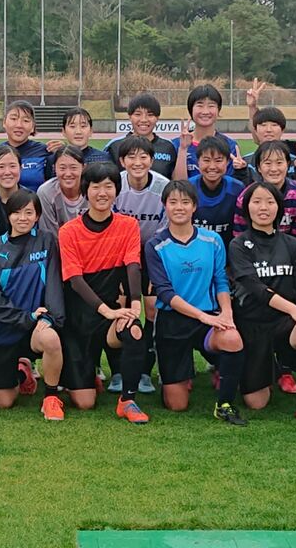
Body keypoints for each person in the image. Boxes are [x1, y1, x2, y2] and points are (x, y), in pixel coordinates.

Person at [227, 181, 296, 425]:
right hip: (252, 324)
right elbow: (258, 290)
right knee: (256, 402)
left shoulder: (292, 244)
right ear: (247, 208)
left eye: (270, 202)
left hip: (285, 322)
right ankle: (270, 369)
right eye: (257, 202)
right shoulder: (238, 245)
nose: (264, 207)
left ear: (279, 208)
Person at [145, 180, 247, 425]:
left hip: (208, 317)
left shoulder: (212, 241)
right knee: (176, 405)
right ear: (164, 206)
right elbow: (166, 293)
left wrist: (226, 313)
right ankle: (177, 376)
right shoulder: (155, 245)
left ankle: (224, 403)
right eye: (173, 202)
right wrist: (205, 317)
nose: (179, 207)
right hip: (173, 321)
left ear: (194, 207)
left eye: (185, 202)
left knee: (232, 338)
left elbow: (221, 280)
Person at [57, 163, 151, 423]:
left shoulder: (128, 225)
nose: (102, 192)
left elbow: (133, 264)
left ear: (116, 191)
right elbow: (74, 280)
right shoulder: (69, 231)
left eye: (109, 186)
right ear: (86, 191)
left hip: (112, 310)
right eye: (96, 186)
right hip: (79, 316)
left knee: (133, 329)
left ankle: (128, 400)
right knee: (84, 403)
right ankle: (86, 377)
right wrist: (105, 310)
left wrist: (134, 302)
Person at [0, 190, 66, 419]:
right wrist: (25, 316)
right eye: (17, 213)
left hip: (36, 324)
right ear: (8, 216)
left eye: (29, 212)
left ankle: (50, 397)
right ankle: (21, 372)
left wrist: (50, 318)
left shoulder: (47, 241)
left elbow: (54, 284)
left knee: (50, 338)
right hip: (2, 327)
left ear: (37, 215)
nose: (23, 218)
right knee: (4, 402)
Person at [111, 136, 168, 396]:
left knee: (153, 311)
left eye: (143, 156)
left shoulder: (163, 187)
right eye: (131, 157)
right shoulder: (114, 185)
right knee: (121, 309)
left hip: (151, 254)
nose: (137, 162)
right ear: (122, 161)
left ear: (151, 160)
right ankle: (118, 371)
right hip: (119, 255)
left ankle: (146, 370)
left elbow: (165, 231)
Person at [233, 140, 296, 247]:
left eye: (279, 163)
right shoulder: (246, 198)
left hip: (290, 254)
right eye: (267, 163)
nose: (274, 169)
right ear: (259, 167)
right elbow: (240, 237)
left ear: (288, 165)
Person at [171, 84, 242, 181]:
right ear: (191, 110)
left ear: (218, 110)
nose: (205, 111)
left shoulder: (229, 145)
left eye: (211, 106)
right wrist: (183, 149)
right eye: (200, 105)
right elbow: (177, 185)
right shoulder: (175, 145)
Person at [187, 135, 246, 246]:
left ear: (227, 162)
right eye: (206, 160)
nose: (212, 166)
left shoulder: (237, 188)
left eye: (218, 161)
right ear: (198, 161)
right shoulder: (188, 188)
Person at [103, 93, 176, 178]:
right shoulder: (114, 146)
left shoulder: (169, 146)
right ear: (130, 117)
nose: (144, 120)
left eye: (150, 115)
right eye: (138, 114)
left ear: (157, 118)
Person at [44, 107, 111, 179]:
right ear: (63, 131)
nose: (78, 132)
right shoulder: (53, 159)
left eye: (83, 126)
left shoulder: (104, 158)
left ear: (91, 131)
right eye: (72, 126)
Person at [37, 146, 88, 236]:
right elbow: (49, 234)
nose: (68, 174)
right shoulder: (46, 192)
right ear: (54, 168)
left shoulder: (92, 189)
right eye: (62, 168)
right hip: (59, 245)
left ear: (83, 167)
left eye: (73, 168)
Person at [1, 100, 50, 192]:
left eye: (26, 120)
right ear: (4, 122)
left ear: (33, 127)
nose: (19, 125)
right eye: (13, 119)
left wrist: (62, 150)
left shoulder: (45, 152)